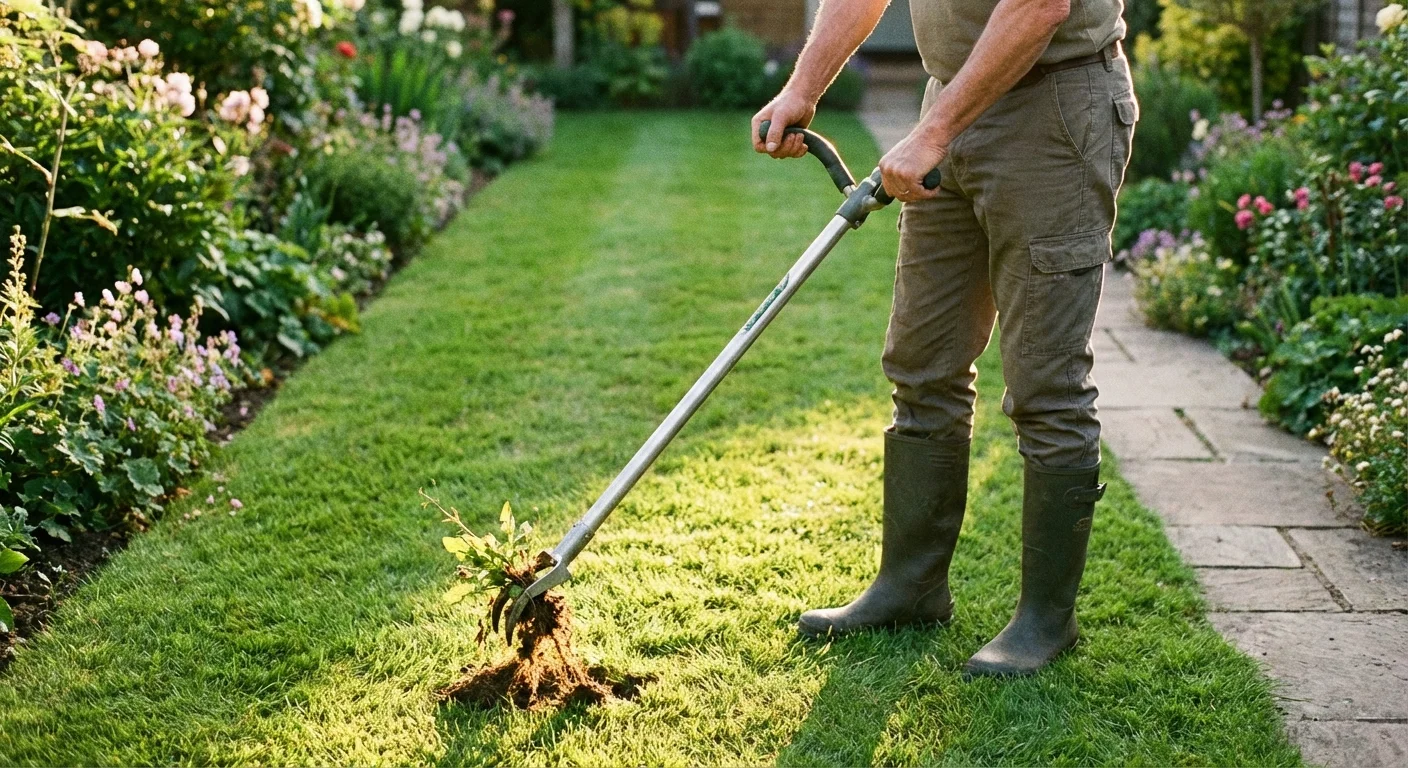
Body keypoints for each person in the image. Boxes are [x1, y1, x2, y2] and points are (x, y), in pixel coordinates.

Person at [752, 0, 1136, 677]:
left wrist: (932, 130)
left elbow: (1040, 6)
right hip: (952, 105)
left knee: (1046, 385)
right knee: (922, 364)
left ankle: (1048, 620)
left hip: (1056, 111)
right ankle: (912, 587)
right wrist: (802, 88)